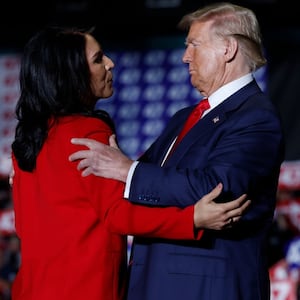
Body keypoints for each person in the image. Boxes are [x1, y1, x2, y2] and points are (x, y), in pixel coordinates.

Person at [10, 26, 250, 300]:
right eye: (98, 59)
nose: (111, 63)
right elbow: (118, 214)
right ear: (71, 73)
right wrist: (192, 218)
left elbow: (24, 226)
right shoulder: (88, 131)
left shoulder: (27, 141)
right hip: (84, 289)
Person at [69, 2, 285, 300]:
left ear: (228, 49)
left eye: (194, 45)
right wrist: (39, 165)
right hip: (154, 284)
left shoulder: (256, 117)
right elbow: (130, 183)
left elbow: (216, 189)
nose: (185, 57)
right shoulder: (185, 117)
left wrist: (127, 170)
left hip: (207, 290)